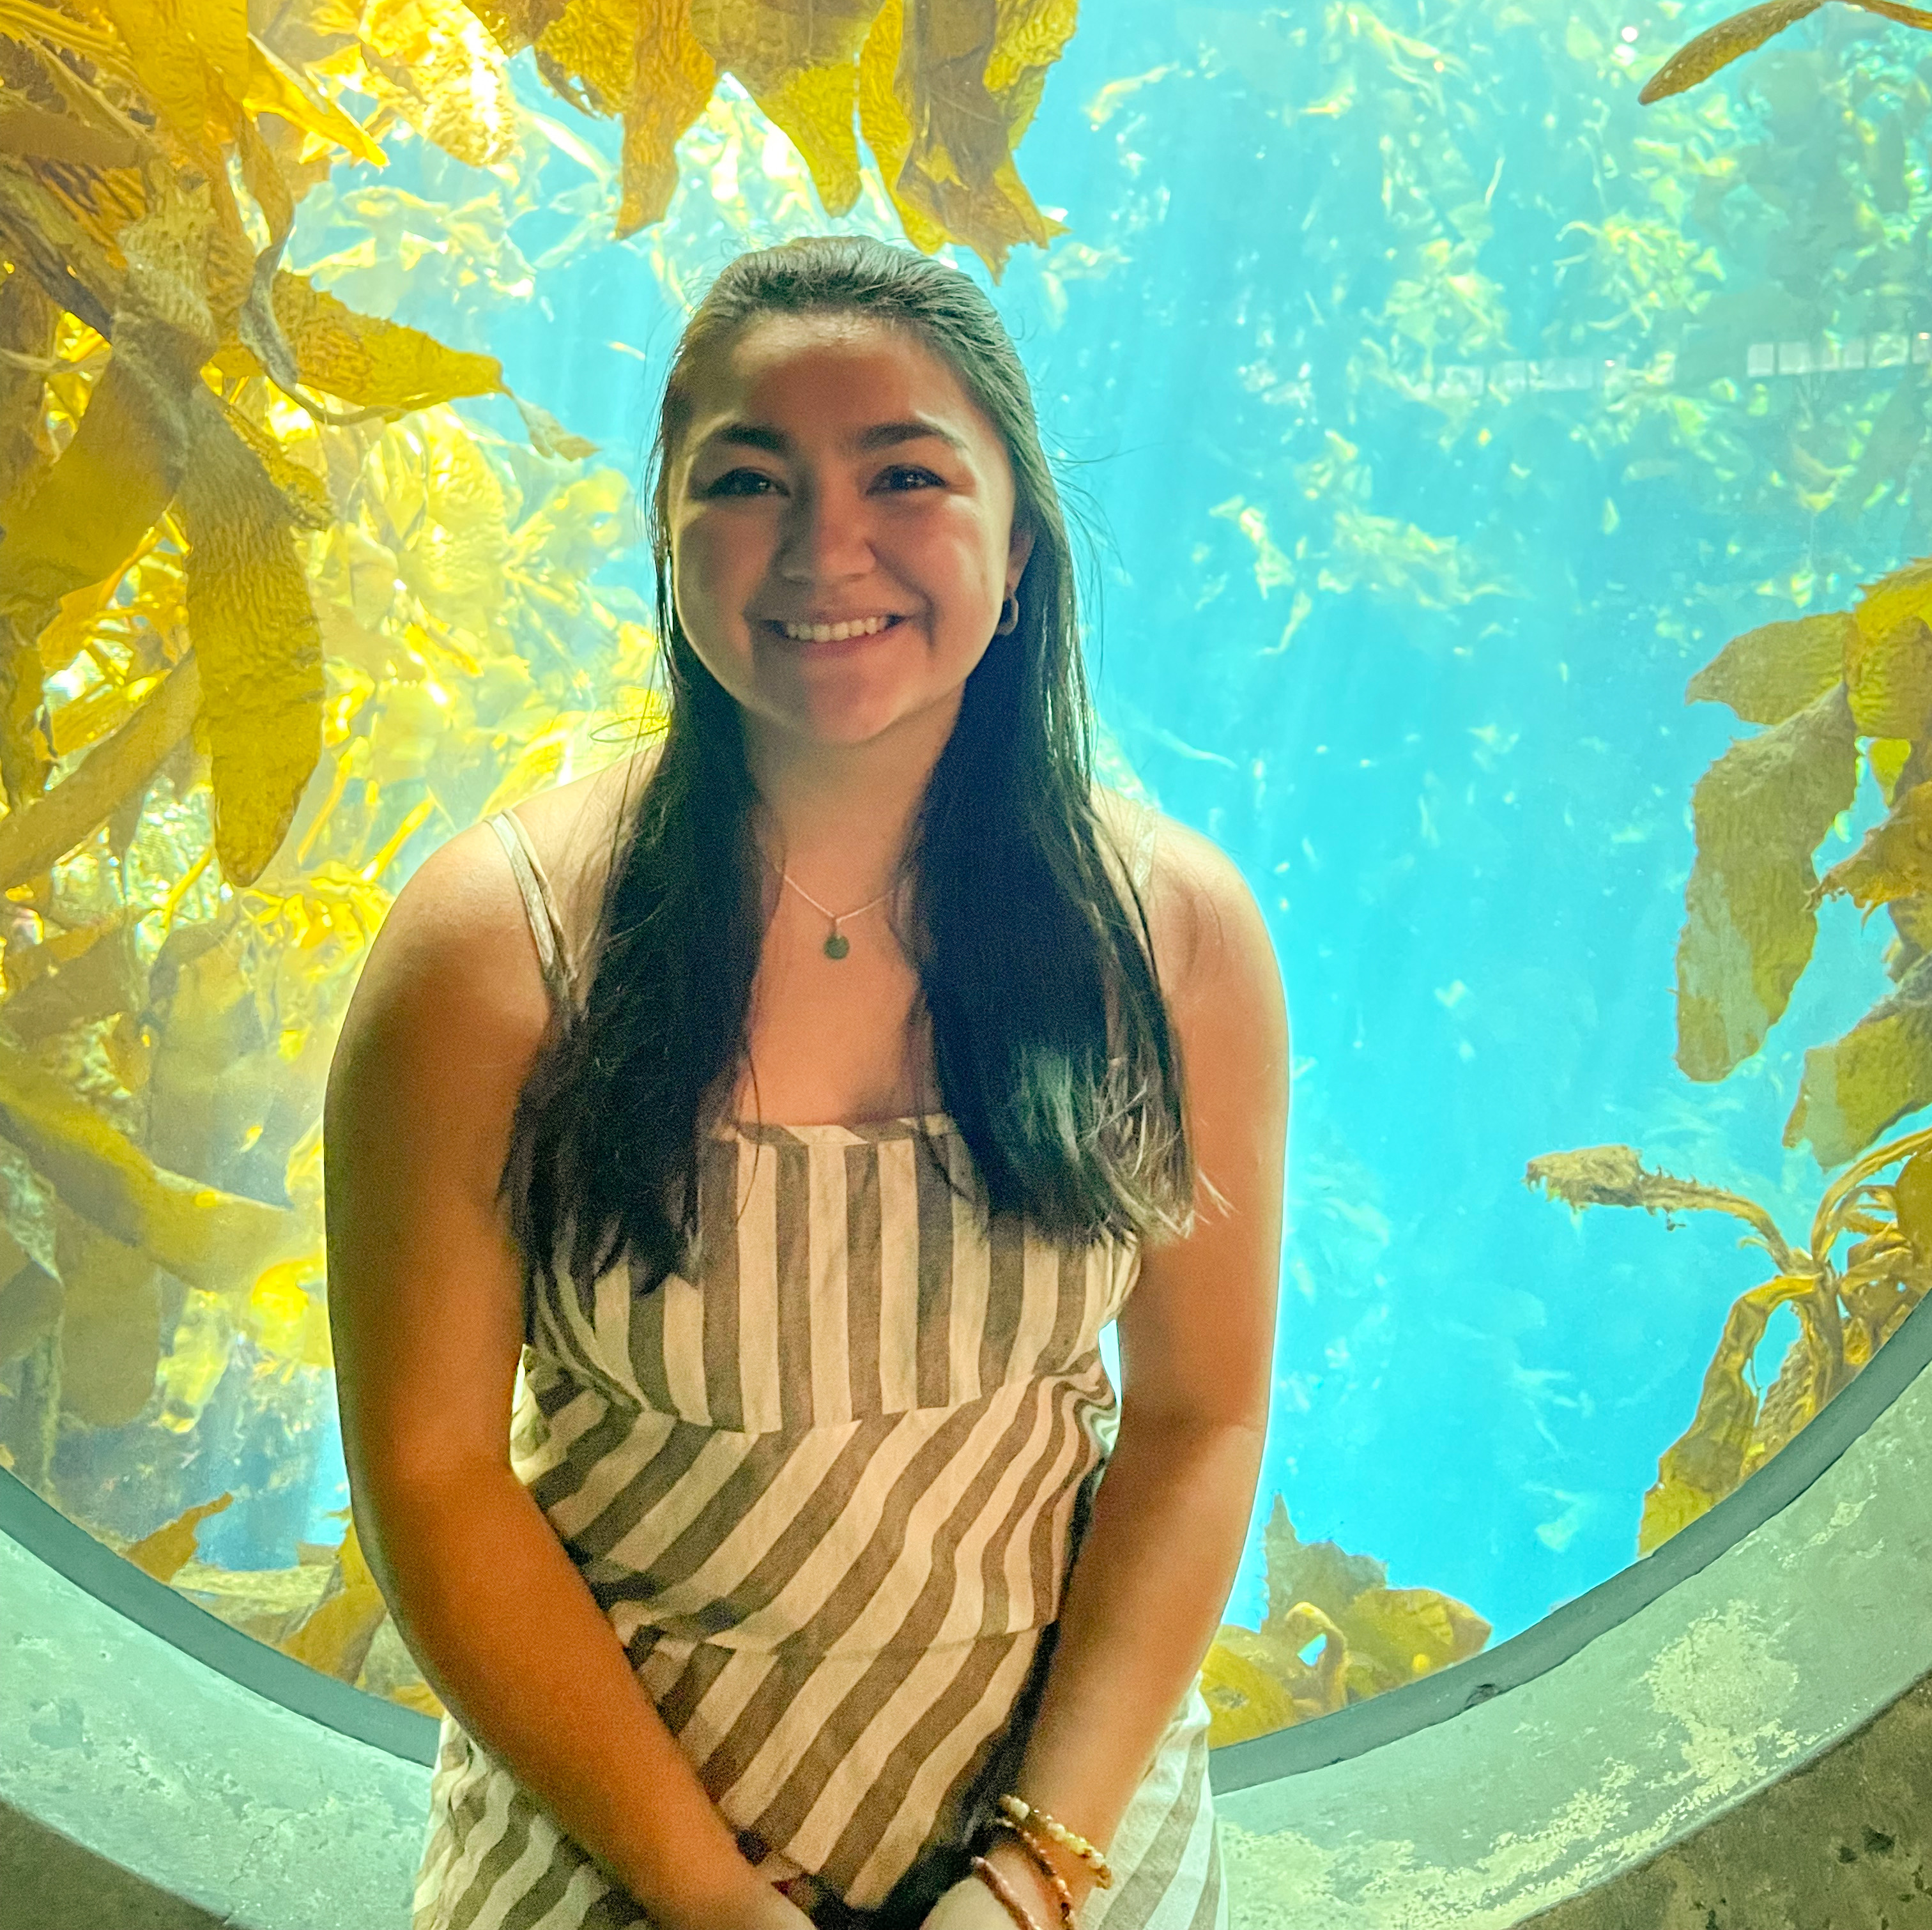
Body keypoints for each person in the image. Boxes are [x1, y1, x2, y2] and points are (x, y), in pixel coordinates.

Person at [325, 234, 1289, 1930]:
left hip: (1068, 1836)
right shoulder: (491, 953)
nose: (825, 547)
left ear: (1021, 539)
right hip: (608, 1837)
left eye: (905, 474)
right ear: (672, 537)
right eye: (747, 481)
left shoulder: (1174, 939)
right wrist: (705, 1896)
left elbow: (1201, 1423)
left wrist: (1038, 1877)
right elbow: (431, 1470)